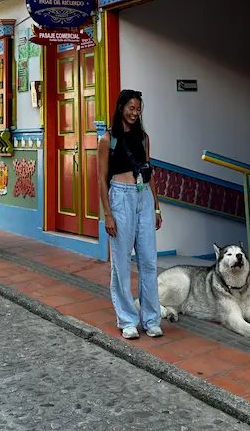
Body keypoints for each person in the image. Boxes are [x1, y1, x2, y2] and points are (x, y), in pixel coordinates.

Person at [97, 89, 163, 339]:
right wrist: (108, 214)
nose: (135, 113)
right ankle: (127, 319)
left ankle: (151, 319)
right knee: (121, 263)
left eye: (139, 109)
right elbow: (101, 179)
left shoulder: (144, 138)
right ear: (121, 107)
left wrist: (156, 206)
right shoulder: (108, 139)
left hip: (143, 197)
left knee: (148, 261)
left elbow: (150, 173)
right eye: (131, 108)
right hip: (120, 198)